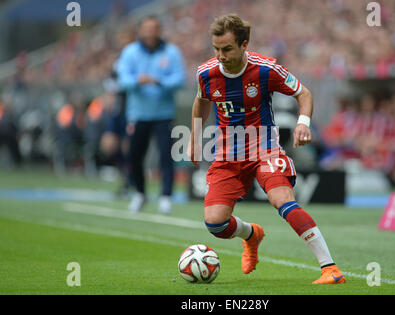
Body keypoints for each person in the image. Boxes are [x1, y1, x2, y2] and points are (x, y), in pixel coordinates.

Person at [187, 14, 345, 284]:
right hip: (227, 155)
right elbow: (201, 101)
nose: (221, 55)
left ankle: (329, 268)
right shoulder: (206, 73)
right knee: (215, 224)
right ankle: (251, 234)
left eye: (227, 49)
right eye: (216, 49)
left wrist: (303, 123)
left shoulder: (265, 69)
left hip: (265, 150)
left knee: (282, 201)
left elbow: (303, 93)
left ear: (243, 44)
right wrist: (194, 137)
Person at [117, 16, 186, 213]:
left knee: (166, 156)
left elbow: (179, 79)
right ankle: (139, 192)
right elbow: (123, 80)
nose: (150, 33)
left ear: (159, 30)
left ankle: (166, 196)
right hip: (137, 114)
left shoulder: (171, 52)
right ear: (140, 31)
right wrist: (139, 81)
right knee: (133, 155)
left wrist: (159, 82)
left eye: (153, 28)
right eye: (146, 29)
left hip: (164, 114)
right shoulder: (130, 52)